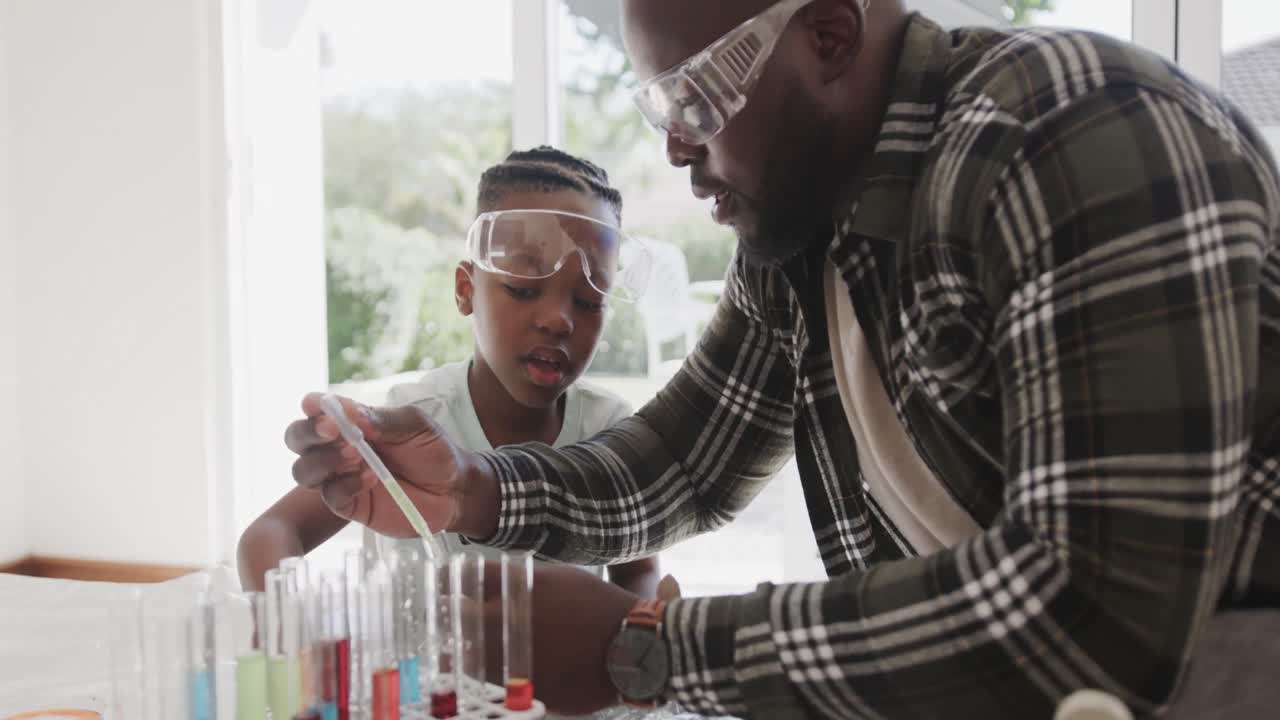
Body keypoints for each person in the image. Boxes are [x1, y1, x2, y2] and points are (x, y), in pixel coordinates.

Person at [285, 1, 1280, 717]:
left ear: (828, 36)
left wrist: (648, 650)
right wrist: (469, 490)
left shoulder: (1070, 132)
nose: (675, 147)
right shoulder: (804, 230)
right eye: (658, 105)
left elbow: (1096, 611)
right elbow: (680, 463)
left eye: (695, 94)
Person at [242, 146, 660, 597]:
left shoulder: (609, 433)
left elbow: (637, 573)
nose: (558, 320)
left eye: (588, 300)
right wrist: (292, 638)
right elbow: (271, 532)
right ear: (466, 291)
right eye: (522, 289)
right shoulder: (411, 425)